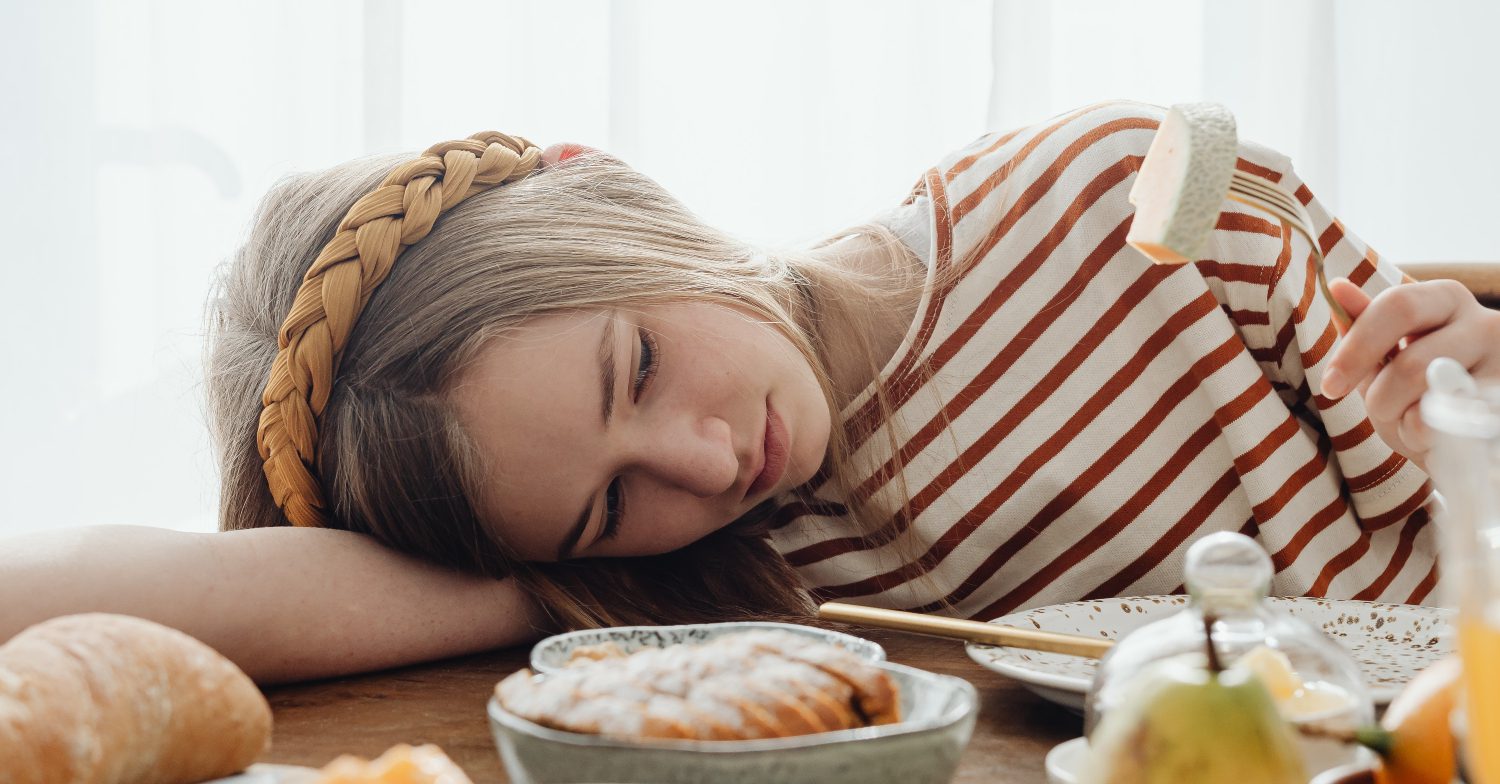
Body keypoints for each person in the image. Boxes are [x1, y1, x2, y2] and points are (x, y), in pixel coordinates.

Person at [1, 101, 1490, 685]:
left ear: (608, 191)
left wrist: (1475, 384)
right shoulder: (704, 582)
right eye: (607, 499)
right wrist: (556, 570)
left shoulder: (1113, 195)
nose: (708, 463)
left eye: (634, 365)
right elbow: (72, 596)